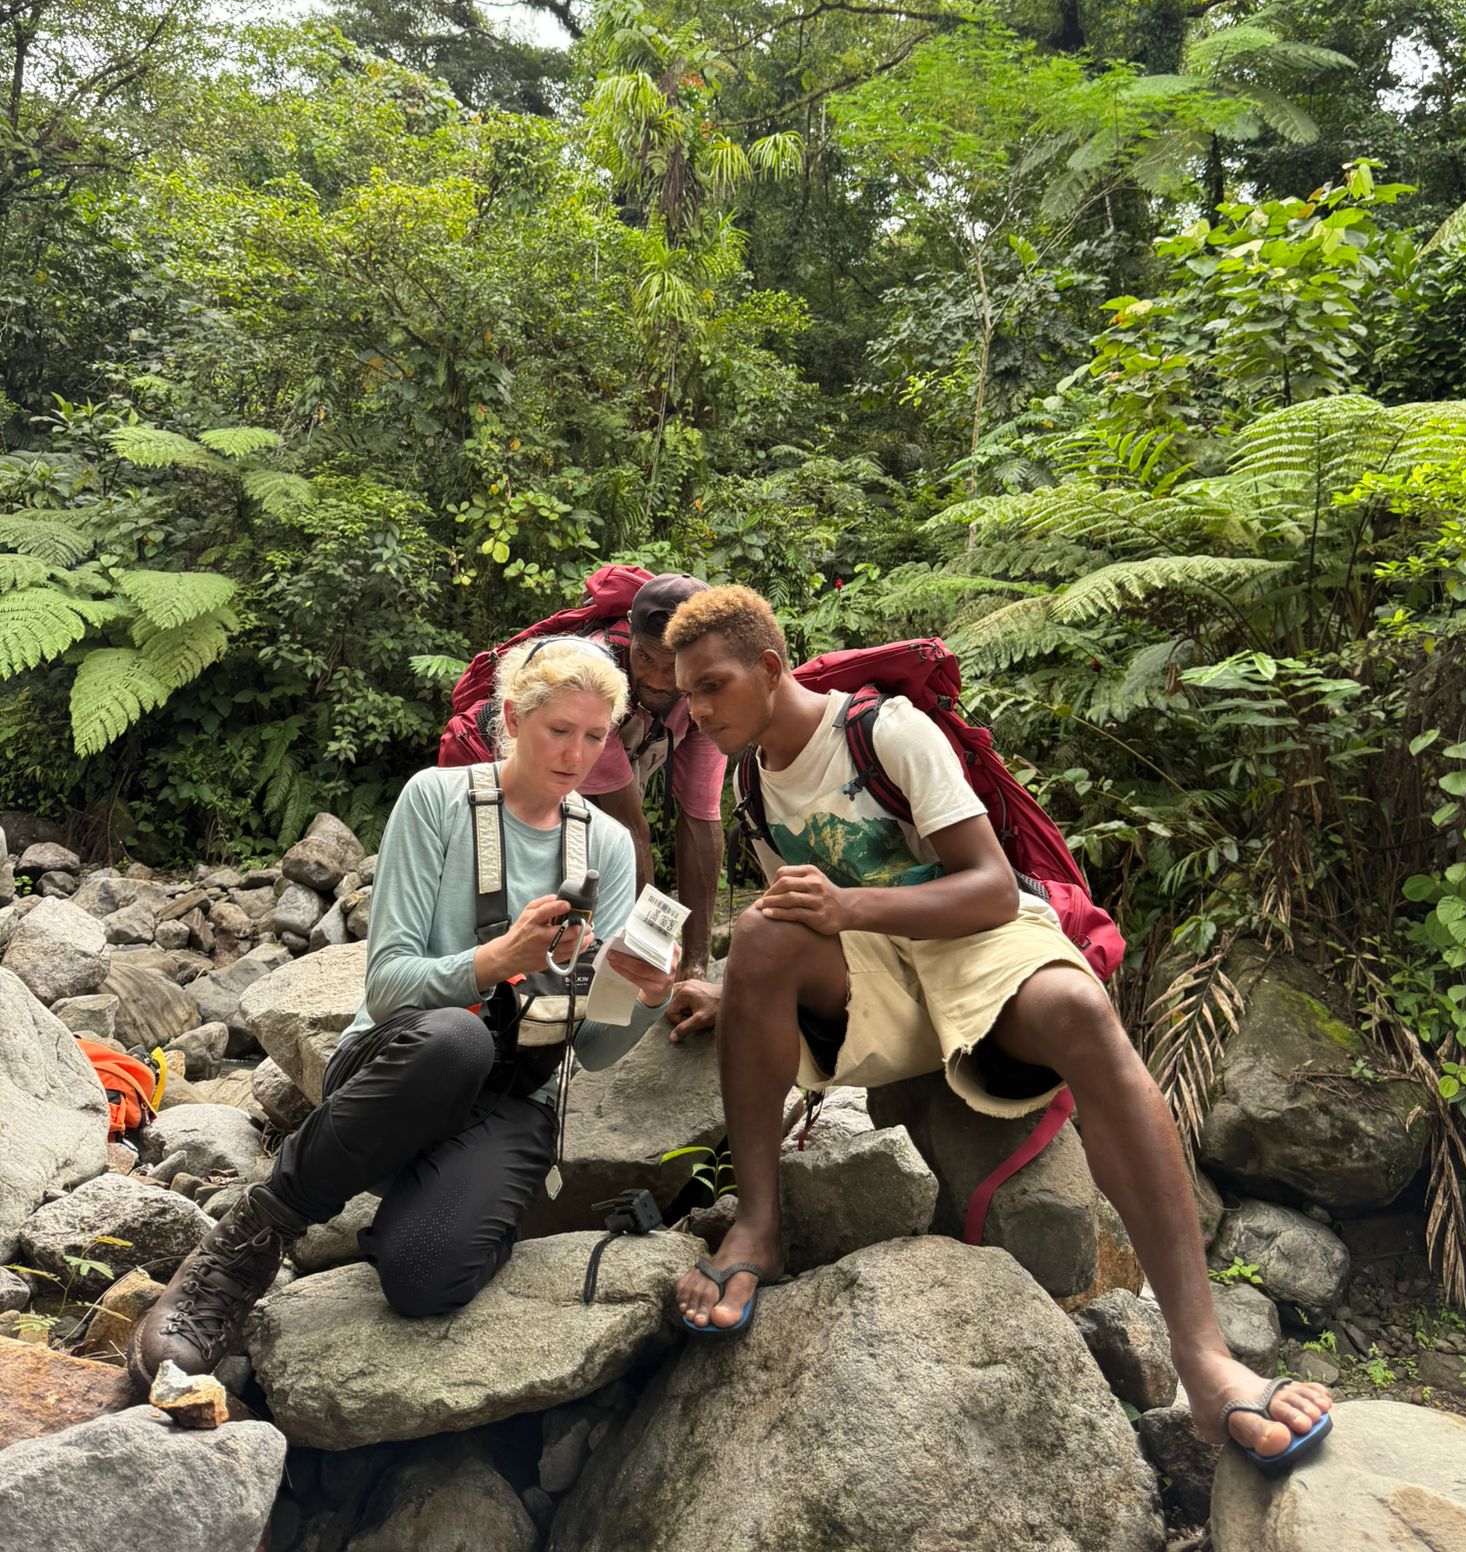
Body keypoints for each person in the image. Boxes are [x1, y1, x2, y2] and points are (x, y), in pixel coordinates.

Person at [662, 586, 1333, 1472]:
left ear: (770, 668)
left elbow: (987, 885)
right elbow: (796, 921)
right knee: (756, 935)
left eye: (713, 686)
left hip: (972, 935)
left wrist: (852, 905)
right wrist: (741, 992)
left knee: (1079, 1012)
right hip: (878, 972)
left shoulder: (883, 731)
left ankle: (1204, 1357)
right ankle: (758, 1225)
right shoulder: (750, 781)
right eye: (688, 695)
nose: (699, 712)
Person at [129, 636, 675, 1391]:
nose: (575, 754)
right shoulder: (436, 800)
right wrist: (496, 960)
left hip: (516, 1094)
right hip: (403, 1061)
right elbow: (388, 986)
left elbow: (598, 1051)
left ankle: (423, 1197)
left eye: (594, 736)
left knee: (424, 1281)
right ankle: (245, 1246)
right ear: (515, 719)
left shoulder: (607, 847)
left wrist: (647, 995)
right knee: (457, 1041)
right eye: (559, 730)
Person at [579, 573, 726, 980]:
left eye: (673, 666)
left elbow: (701, 818)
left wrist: (695, 968)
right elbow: (630, 831)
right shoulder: (594, 675)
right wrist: (656, 963)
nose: (659, 681)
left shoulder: (709, 691)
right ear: (630, 636)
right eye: (645, 659)